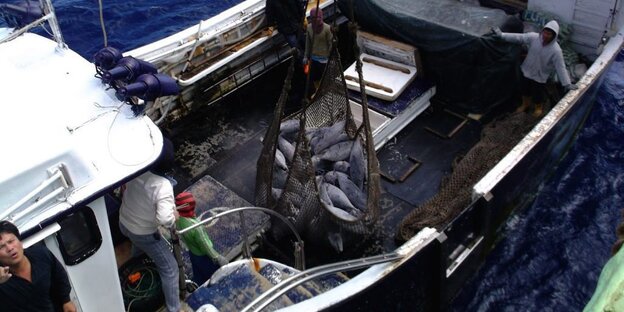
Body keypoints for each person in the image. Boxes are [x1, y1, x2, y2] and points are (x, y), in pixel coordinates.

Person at [119, 138, 184, 312]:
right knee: (170, 269)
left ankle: (137, 264)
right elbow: (164, 219)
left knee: (139, 246)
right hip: (142, 232)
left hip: (124, 222)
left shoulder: (138, 168)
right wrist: (174, 216)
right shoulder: (162, 186)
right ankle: (174, 308)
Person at [493, 20, 578, 117]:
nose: (546, 35)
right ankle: (525, 104)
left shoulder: (556, 50)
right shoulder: (534, 37)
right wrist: (502, 35)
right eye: (545, 32)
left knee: (538, 94)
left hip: (540, 76)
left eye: (549, 34)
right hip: (526, 70)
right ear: (542, 31)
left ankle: (538, 107)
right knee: (524, 89)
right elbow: (519, 37)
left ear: (554, 36)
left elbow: (561, 67)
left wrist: (567, 84)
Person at [0, 220, 77, 312]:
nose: (10, 248)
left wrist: (66, 300)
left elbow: (59, 275)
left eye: (11, 241)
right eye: (1, 247)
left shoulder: (41, 254)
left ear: (19, 240)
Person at [175, 192, 228, 285]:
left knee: (198, 275)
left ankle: (197, 286)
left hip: (193, 253)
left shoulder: (179, 220)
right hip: (204, 256)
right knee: (215, 277)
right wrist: (217, 257)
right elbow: (204, 245)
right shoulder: (196, 227)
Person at [303, 7, 333, 94]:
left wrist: (331, 59)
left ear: (322, 17)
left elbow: (331, 45)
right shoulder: (309, 28)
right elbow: (308, 43)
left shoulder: (327, 29)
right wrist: (305, 56)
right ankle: (317, 92)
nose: (316, 19)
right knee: (313, 78)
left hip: (324, 60)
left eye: (319, 17)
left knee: (326, 78)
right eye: (314, 18)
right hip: (313, 58)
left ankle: (327, 91)